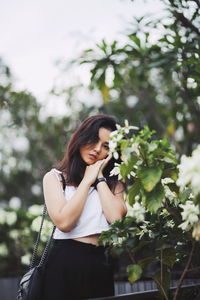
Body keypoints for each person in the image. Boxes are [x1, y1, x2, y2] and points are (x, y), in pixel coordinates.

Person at [42, 114, 127, 300]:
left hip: (100, 263)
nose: (97, 149)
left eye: (106, 146)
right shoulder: (55, 178)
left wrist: (99, 178)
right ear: (81, 138)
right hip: (64, 263)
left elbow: (116, 219)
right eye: (94, 140)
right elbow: (64, 222)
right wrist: (87, 181)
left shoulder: (113, 183)